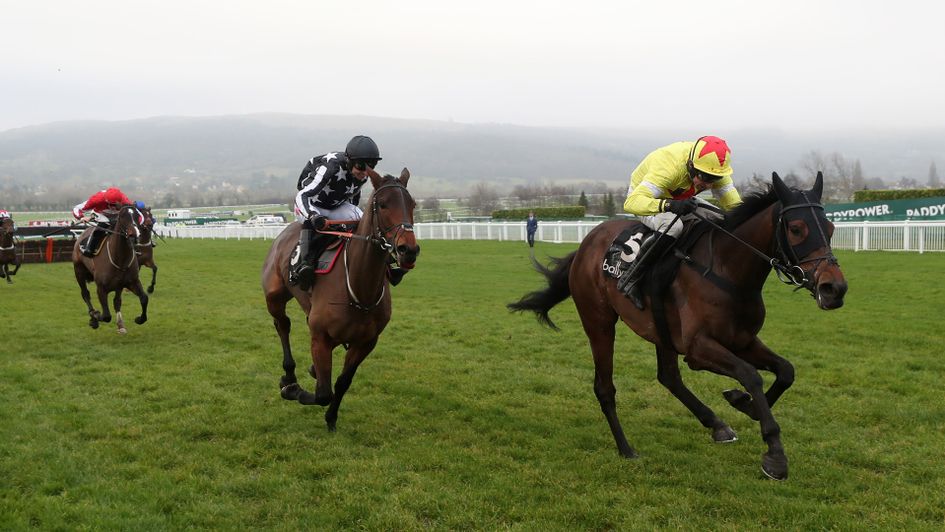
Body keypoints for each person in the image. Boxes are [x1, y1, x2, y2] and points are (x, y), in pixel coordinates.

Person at [619, 135, 742, 310]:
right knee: (674, 227)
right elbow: (631, 203)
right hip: (648, 199)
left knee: (720, 218)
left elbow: (736, 208)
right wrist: (669, 204)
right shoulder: (668, 167)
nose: (707, 185)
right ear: (691, 165)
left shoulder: (716, 171)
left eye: (713, 180)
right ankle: (631, 278)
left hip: (682, 199)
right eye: (704, 177)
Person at [291, 135, 409, 287]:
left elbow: (353, 197)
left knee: (364, 221)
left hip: (334, 206)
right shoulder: (330, 167)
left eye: (371, 165)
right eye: (361, 166)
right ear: (350, 161)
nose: (365, 171)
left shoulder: (363, 175)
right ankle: (304, 265)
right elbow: (303, 195)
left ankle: (388, 266)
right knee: (313, 222)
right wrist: (313, 216)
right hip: (310, 203)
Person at [73, 187, 133, 257]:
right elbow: (77, 208)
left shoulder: (125, 201)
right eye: (110, 204)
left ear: (120, 201)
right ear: (106, 201)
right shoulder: (97, 199)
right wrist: (81, 217)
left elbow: (135, 214)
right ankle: (89, 248)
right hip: (101, 214)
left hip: (117, 215)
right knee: (104, 224)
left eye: (115, 205)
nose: (113, 207)